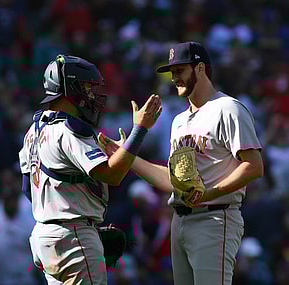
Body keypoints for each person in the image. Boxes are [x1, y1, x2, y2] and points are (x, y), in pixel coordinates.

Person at [98, 41, 264, 285]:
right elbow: (172, 180)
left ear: (200, 69)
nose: (174, 78)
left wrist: (210, 193)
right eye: (172, 72)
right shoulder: (178, 121)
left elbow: (254, 166)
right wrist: (127, 156)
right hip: (180, 220)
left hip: (214, 218)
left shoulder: (228, 108)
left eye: (180, 70)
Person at [18, 54, 161, 285]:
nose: (92, 95)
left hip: (44, 237)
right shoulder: (68, 128)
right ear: (70, 89)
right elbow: (111, 175)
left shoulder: (33, 130)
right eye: (86, 87)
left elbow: (28, 190)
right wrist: (140, 130)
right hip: (73, 237)